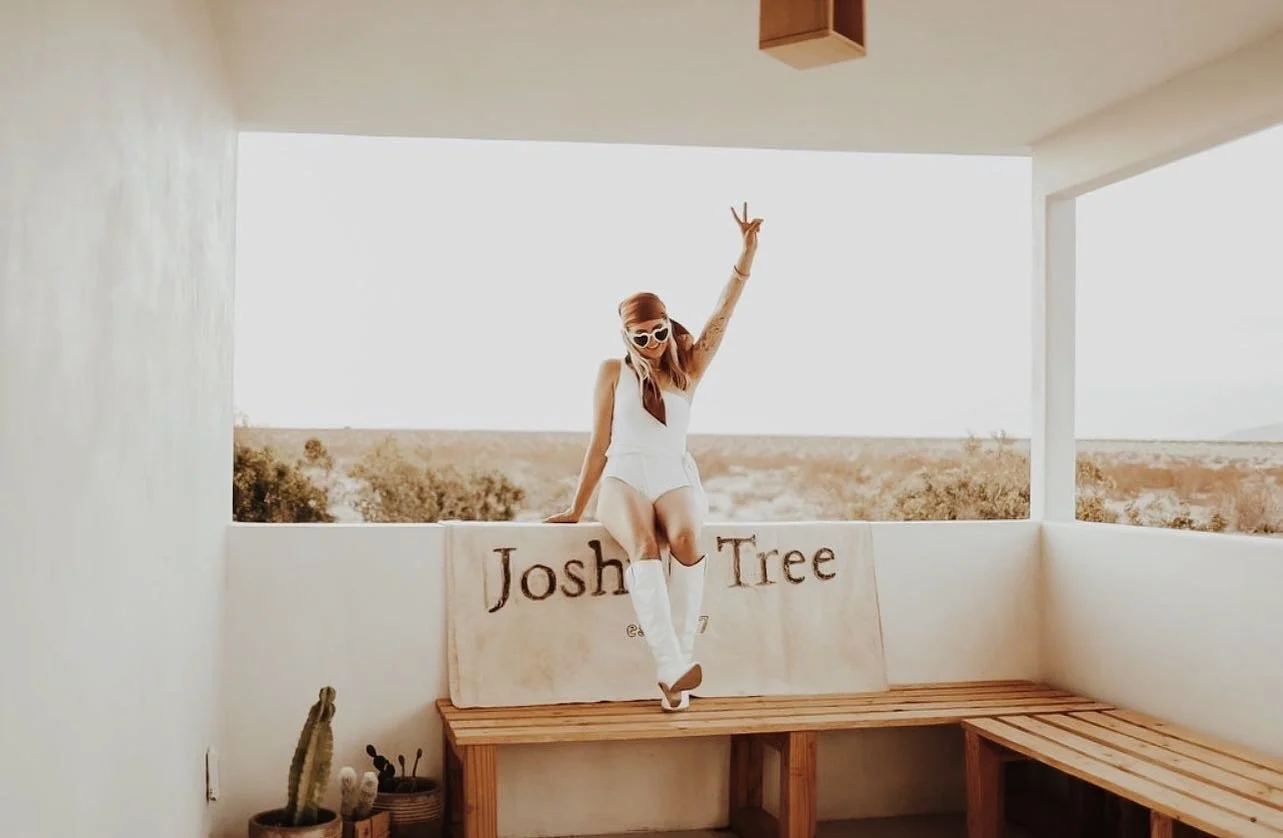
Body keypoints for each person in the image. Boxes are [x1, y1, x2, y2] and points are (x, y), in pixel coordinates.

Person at [545, 203, 763, 711]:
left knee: (686, 539)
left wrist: (746, 255)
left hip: (672, 473)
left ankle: (678, 669)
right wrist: (577, 507)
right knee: (643, 545)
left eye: (658, 331)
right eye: (639, 337)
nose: (650, 343)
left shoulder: (689, 366)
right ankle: (671, 667)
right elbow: (598, 443)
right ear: (627, 337)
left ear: (668, 324)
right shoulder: (611, 373)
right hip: (623, 474)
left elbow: (722, 316)